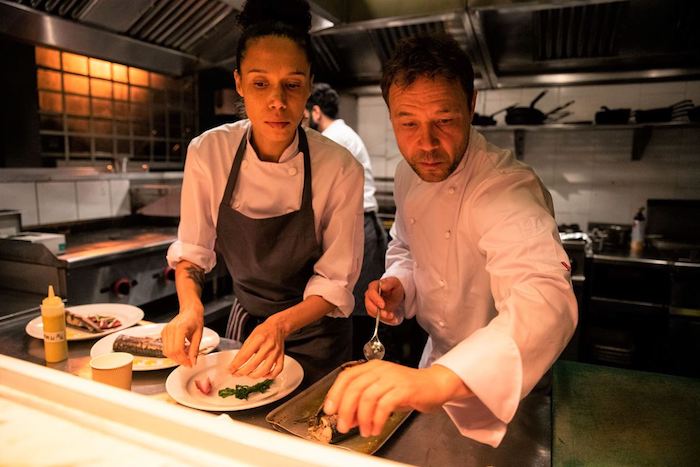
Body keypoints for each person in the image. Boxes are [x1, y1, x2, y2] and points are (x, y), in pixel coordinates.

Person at [322, 35, 578, 447]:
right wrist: (400, 284)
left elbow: (545, 297)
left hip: (505, 388)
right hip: (434, 366)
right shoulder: (408, 174)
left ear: (471, 105)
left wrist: (439, 382)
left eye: (444, 120)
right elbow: (406, 246)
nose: (426, 144)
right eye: (408, 123)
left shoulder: (505, 187)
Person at [161, 0, 364, 385]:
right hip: (249, 334)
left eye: (292, 84)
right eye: (260, 83)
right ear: (239, 82)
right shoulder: (209, 152)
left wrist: (280, 326)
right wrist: (190, 308)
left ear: (309, 84)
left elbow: (336, 282)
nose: (277, 102)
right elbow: (192, 252)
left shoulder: (339, 168)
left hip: (319, 340)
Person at [305, 83, 389, 360]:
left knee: (361, 304)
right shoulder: (340, 134)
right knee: (360, 303)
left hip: (360, 226)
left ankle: (363, 364)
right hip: (362, 224)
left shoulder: (333, 138)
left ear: (316, 112)